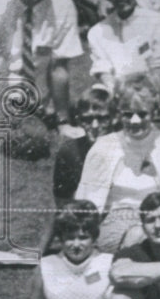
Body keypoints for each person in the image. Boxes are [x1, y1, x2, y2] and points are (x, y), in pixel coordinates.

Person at [76, 75, 160, 253]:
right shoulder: (104, 147)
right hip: (117, 221)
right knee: (139, 236)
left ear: (155, 112)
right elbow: (86, 200)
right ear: (118, 114)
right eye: (128, 114)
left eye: (142, 114)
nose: (135, 121)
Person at [0, 200, 114, 299]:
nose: (76, 245)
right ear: (61, 238)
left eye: (83, 237)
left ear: (94, 238)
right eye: (70, 238)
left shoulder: (109, 263)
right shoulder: (47, 266)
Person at [40, 86, 116, 254]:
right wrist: (41, 254)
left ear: (114, 118)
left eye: (102, 119)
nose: (95, 126)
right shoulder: (70, 151)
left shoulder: (124, 148)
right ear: (79, 120)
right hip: (87, 221)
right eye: (87, 120)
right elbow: (61, 204)